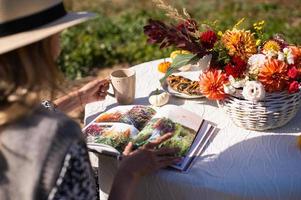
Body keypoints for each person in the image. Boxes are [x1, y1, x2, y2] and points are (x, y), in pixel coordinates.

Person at [0, 1, 180, 200]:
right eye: (58, 32)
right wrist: (128, 173)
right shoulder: (58, 138)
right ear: (43, 45)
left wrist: (79, 98)